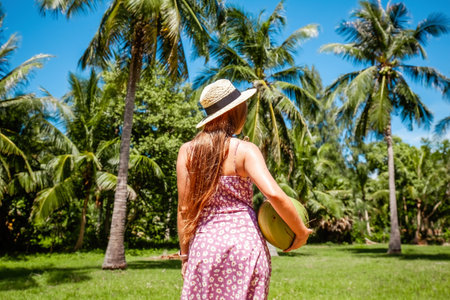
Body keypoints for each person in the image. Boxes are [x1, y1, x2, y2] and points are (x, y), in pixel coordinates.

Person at [177, 79, 312, 299]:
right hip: (245, 246)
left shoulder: (187, 152)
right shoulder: (244, 150)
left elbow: (185, 209)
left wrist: (185, 256)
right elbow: (275, 195)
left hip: (205, 246)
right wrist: (301, 231)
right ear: (234, 112)